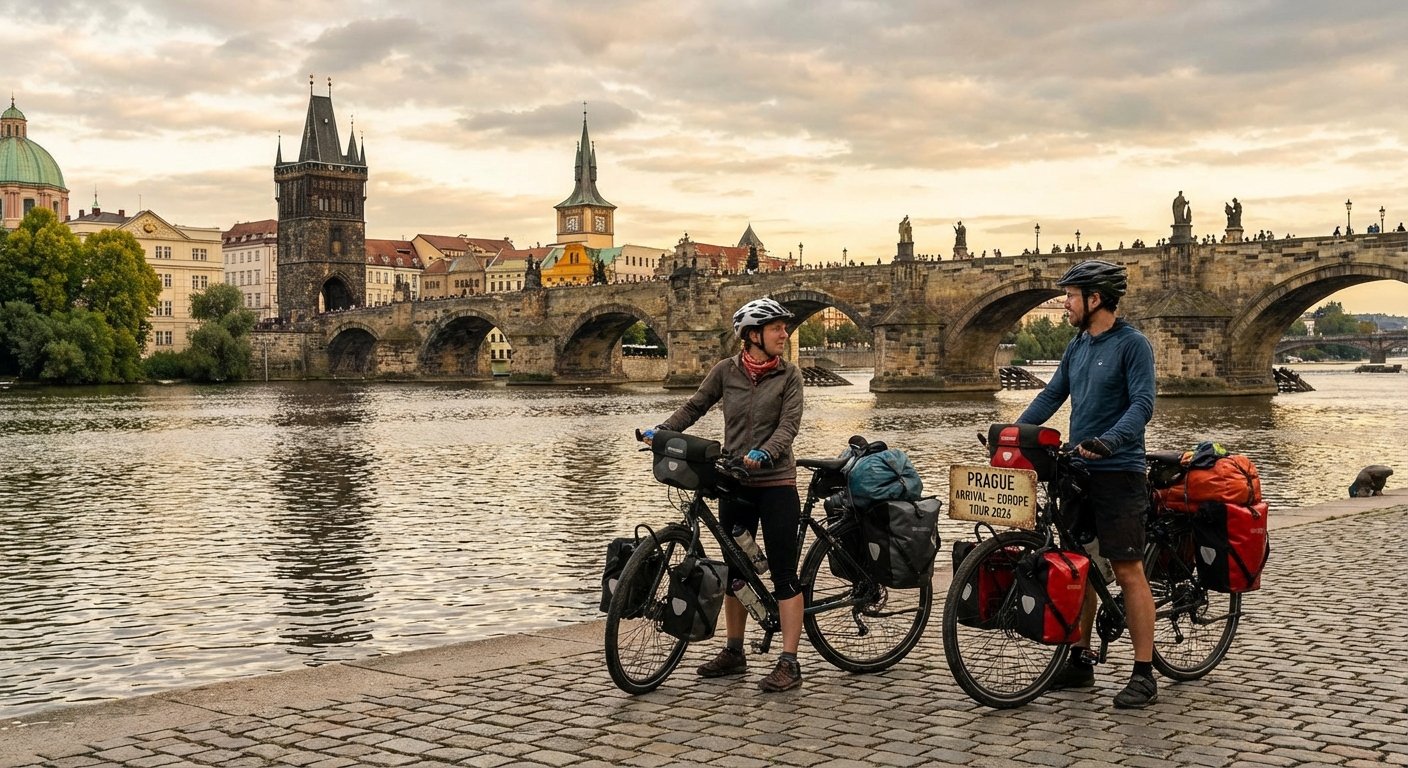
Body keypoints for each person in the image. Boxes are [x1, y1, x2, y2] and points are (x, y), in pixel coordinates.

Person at [642, 297, 806, 692]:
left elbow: (789, 426)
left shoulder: (790, 376)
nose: (785, 333)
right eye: (776, 328)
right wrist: (660, 432)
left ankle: (790, 662)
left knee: (783, 574)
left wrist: (766, 452)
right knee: (736, 571)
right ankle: (735, 651)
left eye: (784, 328)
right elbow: (694, 406)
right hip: (735, 481)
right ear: (752, 336)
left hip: (776, 482)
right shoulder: (725, 371)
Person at [1016, 260, 1159, 709]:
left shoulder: (1133, 345)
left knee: (1126, 569)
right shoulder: (1077, 345)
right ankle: (1079, 660)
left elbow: (1142, 405)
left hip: (1120, 471)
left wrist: (1111, 440)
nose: (1064, 303)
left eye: (1071, 296)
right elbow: (1052, 394)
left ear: (1095, 299)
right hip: (1079, 470)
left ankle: (1144, 672)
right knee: (1079, 565)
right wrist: (1013, 432)